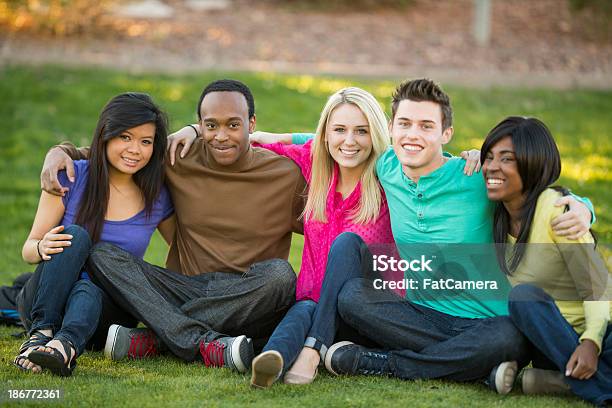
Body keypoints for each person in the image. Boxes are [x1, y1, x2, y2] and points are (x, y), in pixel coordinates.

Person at [168, 86, 483, 387]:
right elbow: (241, 137)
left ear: (376, 134)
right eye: (339, 130)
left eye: (361, 131)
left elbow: (424, 155)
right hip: (309, 308)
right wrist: (194, 130)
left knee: (323, 281)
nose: (349, 141)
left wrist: (468, 156)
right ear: (326, 134)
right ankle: (271, 359)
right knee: (305, 307)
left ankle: (305, 353)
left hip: (363, 313)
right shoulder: (314, 163)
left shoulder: (389, 175)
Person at [315, 79, 595, 393]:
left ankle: (387, 364)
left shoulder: (475, 177)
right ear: (391, 127)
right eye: (405, 124)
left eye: (426, 126)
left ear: (446, 134)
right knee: (353, 295)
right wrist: (268, 137)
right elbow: (328, 142)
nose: (413, 135)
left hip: (486, 320)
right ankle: (475, 367)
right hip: (421, 315)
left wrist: (584, 207)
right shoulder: (387, 166)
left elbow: (535, 186)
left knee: (510, 336)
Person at [39, 79, 305, 374]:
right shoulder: (178, 157)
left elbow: (325, 219)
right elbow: (118, 153)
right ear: (199, 125)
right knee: (101, 253)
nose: (221, 136)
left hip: (248, 293)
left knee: (280, 276)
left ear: (251, 124)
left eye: (233, 125)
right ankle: (200, 340)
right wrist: (61, 151)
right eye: (211, 125)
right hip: (182, 287)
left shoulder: (285, 175)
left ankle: (157, 337)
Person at [14, 93, 174, 376]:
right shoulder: (70, 176)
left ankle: (63, 346)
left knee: (89, 289)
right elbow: (29, 248)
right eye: (125, 137)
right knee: (75, 236)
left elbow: (181, 251)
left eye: (145, 141)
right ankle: (43, 334)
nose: (135, 149)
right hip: (47, 298)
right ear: (106, 135)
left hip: (104, 313)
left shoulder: (157, 196)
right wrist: (41, 248)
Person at [480, 116, 611, 405]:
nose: (491, 167)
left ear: (532, 163)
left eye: (506, 159)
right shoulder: (495, 213)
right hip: (546, 342)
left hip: (598, 335)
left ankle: (560, 382)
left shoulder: (557, 212)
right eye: (488, 157)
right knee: (523, 298)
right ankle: (580, 383)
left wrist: (591, 342)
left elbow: (597, 286)